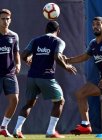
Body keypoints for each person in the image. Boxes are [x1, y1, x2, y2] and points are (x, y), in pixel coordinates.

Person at [13, 21, 77, 138]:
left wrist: (28, 59)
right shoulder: (59, 41)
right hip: (46, 77)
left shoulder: (36, 40)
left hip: (32, 77)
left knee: (29, 104)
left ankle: (17, 130)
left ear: (45, 30)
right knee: (60, 101)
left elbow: (23, 55)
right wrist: (67, 66)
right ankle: (51, 131)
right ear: (58, 31)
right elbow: (57, 56)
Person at [0, 9, 21, 137]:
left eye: (7, 19)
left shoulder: (14, 36)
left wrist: (18, 64)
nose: (5, 21)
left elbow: (16, 52)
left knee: (14, 100)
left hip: (9, 73)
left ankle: (3, 126)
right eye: (3, 18)